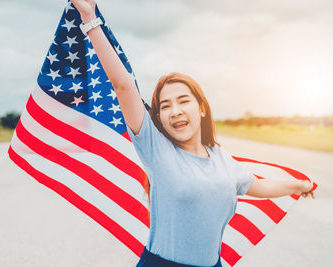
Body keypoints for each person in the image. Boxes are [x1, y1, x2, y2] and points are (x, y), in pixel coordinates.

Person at [70, 1, 316, 266]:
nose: (175, 110)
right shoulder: (156, 148)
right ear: (160, 118)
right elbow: (123, 85)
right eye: (165, 106)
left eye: (183, 100)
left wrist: (299, 185)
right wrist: (90, 18)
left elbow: (260, 186)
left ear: (200, 108)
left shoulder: (222, 160)